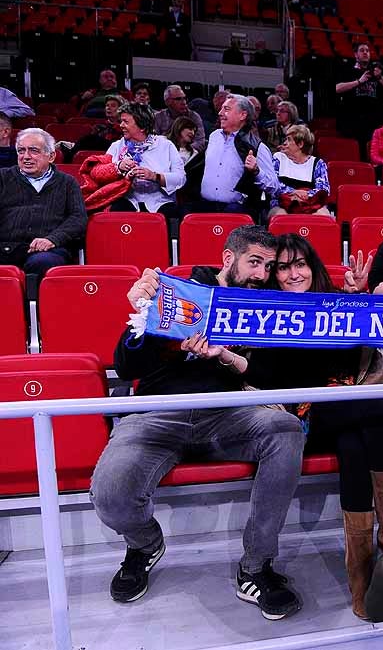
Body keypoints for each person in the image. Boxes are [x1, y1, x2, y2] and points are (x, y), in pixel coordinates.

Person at [89, 226, 305, 620]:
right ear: (228, 259)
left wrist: (227, 358)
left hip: (226, 413)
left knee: (286, 430)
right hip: (158, 413)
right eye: (254, 262)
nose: (261, 273)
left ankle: (256, 567)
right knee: (111, 493)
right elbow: (126, 364)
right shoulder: (178, 289)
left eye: (269, 266)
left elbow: (274, 375)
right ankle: (144, 545)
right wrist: (147, 319)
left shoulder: (266, 308)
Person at [232, 234, 383, 619]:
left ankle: (361, 583)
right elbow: (269, 379)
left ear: (312, 268)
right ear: (274, 276)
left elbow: (357, 353)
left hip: (345, 414)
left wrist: (357, 302)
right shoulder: (268, 313)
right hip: (300, 416)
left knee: (354, 446)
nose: (293, 274)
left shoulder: (334, 305)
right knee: (369, 411)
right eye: (283, 267)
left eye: (300, 265)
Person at [0, 128, 86, 276]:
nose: (26, 156)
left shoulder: (67, 183)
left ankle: (35, 299)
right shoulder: (3, 177)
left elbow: (78, 218)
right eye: (21, 151)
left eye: (33, 151)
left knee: (43, 262)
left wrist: (52, 239)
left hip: (48, 249)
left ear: (51, 156)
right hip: (5, 247)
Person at [198, 94, 281, 214]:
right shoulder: (213, 136)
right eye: (221, 108)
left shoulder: (257, 146)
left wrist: (257, 171)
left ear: (243, 115)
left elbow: (274, 187)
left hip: (236, 212)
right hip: (205, 207)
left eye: (226, 109)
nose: (220, 113)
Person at [106, 103, 186, 217]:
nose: (121, 125)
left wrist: (155, 176)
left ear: (142, 126)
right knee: (117, 210)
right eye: (121, 121)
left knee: (173, 214)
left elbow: (180, 178)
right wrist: (118, 167)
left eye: (126, 122)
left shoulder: (166, 145)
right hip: (127, 199)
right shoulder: (116, 146)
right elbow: (101, 174)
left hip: (160, 202)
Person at [335, 43, 383, 162]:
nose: (365, 53)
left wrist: (379, 77)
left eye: (367, 50)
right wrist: (359, 81)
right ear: (355, 54)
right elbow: (337, 88)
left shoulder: (376, 73)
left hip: (372, 120)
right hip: (353, 118)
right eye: (362, 50)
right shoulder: (348, 70)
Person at [269, 124, 331, 218]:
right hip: (282, 204)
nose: (285, 143)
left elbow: (324, 189)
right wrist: (294, 193)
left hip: (310, 205)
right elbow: (273, 184)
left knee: (324, 216)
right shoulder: (278, 158)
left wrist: (306, 195)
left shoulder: (318, 163)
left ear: (300, 144)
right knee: (280, 216)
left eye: (289, 139)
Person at [154, 85, 207, 154]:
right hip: (164, 155)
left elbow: (200, 141)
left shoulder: (194, 117)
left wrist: (184, 152)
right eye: (178, 99)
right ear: (167, 102)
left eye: (184, 98)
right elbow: (154, 141)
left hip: (189, 157)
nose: (184, 102)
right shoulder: (158, 117)